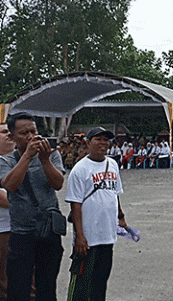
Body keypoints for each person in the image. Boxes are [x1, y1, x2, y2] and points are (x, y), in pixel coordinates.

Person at [0, 113, 65, 301]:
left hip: (48, 231)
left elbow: (58, 184)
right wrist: (27, 155)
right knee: (18, 288)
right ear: (12, 138)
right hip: (22, 233)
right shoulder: (6, 161)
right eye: (24, 133)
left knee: (46, 286)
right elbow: (10, 185)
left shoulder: (51, 154)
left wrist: (44, 160)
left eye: (33, 131)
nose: (30, 136)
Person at [65, 127, 128, 300]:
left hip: (107, 235)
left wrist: (120, 217)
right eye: (98, 139)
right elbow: (75, 204)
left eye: (106, 140)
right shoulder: (80, 169)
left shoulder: (112, 164)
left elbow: (115, 194)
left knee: (101, 281)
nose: (103, 143)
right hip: (88, 238)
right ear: (88, 142)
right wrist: (79, 235)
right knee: (81, 283)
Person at [0, 122, 15, 301]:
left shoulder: (21, 160)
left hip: (26, 227)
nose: (8, 135)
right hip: (3, 229)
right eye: (4, 132)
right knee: (4, 279)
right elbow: (4, 200)